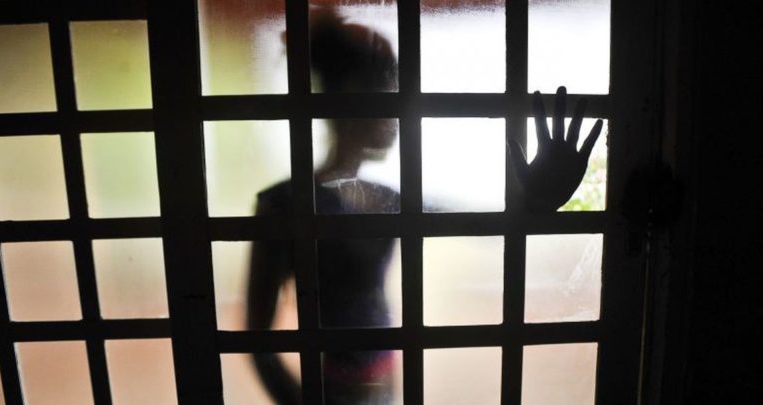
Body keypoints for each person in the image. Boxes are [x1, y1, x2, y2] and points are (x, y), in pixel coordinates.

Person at [246, 7, 602, 405]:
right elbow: (259, 344)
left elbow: (481, 226)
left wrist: (535, 202)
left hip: (385, 391)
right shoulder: (286, 205)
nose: (398, 115)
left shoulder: (380, 198)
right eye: (389, 91)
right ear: (353, 95)